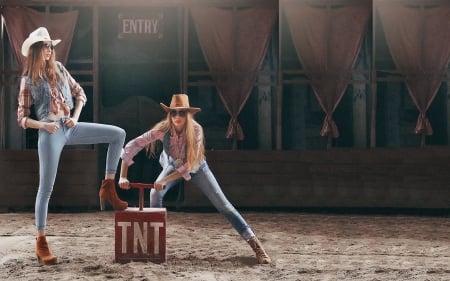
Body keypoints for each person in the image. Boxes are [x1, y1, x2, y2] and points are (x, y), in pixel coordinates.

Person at [17, 27, 128, 265]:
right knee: (45, 188)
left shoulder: (60, 69)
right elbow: (22, 119)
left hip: (70, 126)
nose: (49, 50)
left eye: (51, 46)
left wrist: (75, 117)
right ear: (36, 50)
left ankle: (108, 186)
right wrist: (43, 126)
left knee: (118, 134)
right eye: (45, 46)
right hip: (50, 133)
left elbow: (81, 94)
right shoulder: (28, 81)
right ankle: (41, 241)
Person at [118, 93, 272, 264]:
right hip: (173, 165)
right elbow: (135, 144)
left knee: (224, 205)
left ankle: (256, 246)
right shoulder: (163, 129)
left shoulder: (196, 130)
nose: (177, 117)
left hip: (197, 167)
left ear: (188, 114)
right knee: (154, 194)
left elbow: (190, 166)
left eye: (182, 113)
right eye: (173, 113)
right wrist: (123, 175)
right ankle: (156, 247)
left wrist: (164, 180)